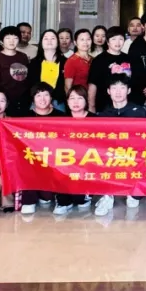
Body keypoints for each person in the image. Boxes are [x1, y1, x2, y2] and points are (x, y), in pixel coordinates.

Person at [94, 74, 146, 217]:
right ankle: (107, 196)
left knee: (133, 202)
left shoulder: (140, 112)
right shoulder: (103, 115)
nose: (118, 92)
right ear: (108, 91)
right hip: (111, 158)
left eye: (122, 88)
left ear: (128, 90)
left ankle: (134, 191)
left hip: (133, 158)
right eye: (114, 88)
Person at [18, 82, 66, 215]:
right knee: (25, 163)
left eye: (46, 95)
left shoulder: (61, 116)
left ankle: (60, 200)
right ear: (33, 99)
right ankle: (29, 201)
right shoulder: (24, 117)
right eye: (38, 95)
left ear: (51, 98)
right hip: (32, 157)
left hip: (55, 157)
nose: (42, 99)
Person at [49, 85, 93, 215]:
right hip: (66, 161)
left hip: (88, 162)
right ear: (67, 102)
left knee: (80, 201)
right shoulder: (61, 120)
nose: (75, 102)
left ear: (86, 100)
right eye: (72, 98)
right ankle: (62, 200)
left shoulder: (95, 119)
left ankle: (84, 195)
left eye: (80, 98)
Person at [0, 26, 34, 116]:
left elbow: (27, 79)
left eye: (15, 38)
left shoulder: (23, 57)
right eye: (8, 38)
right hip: (5, 103)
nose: (11, 41)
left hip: (24, 101)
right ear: (2, 40)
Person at [88, 26, 132, 112]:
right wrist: (91, 107)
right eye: (113, 39)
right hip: (104, 107)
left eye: (121, 39)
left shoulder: (128, 58)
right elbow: (92, 86)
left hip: (125, 107)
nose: (117, 42)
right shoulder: (98, 60)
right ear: (107, 42)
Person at [29, 29, 68, 112]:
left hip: (58, 101)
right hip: (38, 101)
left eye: (53, 38)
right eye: (46, 38)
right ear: (41, 43)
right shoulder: (34, 63)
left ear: (58, 42)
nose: (49, 41)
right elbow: (31, 84)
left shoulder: (66, 62)